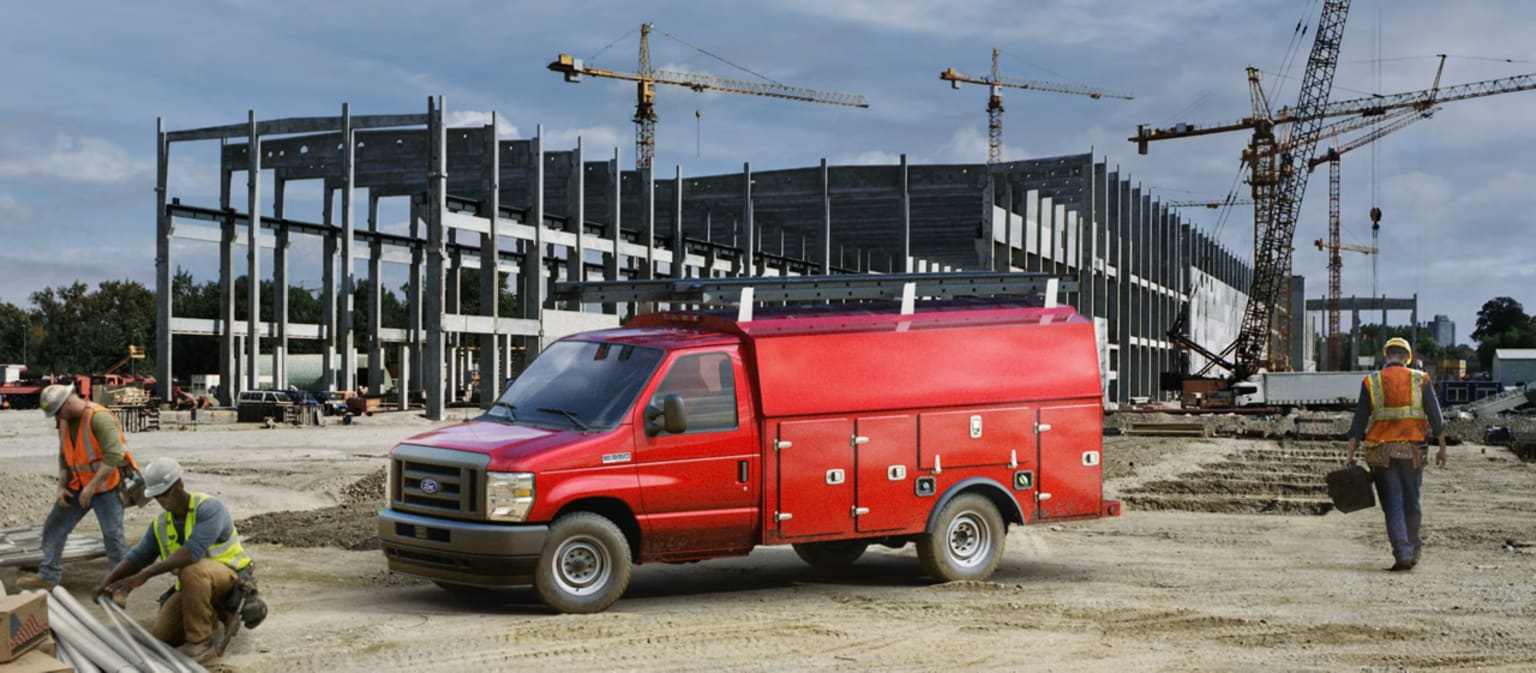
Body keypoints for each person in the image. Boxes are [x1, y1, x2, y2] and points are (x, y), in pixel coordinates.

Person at [95, 458, 265, 662]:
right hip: (196, 586)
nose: (163, 501)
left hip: (230, 580)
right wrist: (108, 582)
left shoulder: (209, 508)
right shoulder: (160, 524)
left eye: (166, 494)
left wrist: (145, 576)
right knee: (163, 635)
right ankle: (208, 615)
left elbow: (191, 552)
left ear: (180, 485)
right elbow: (137, 557)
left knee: (192, 569)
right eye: (158, 497)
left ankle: (200, 642)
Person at [1345, 337, 1448, 571]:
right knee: (1412, 500)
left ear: (1386, 355)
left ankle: (1403, 554)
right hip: (1413, 450)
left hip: (1381, 452)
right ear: (1407, 357)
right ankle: (1414, 547)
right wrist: (1442, 448)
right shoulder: (1420, 379)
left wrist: (1349, 455)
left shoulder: (1372, 381)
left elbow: (1358, 422)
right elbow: (1435, 416)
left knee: (1393, 504)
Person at [19, 384, 133, 592]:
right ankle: (48, 576)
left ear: (68, 403)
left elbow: (114, 455)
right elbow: (64, 454)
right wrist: (62, 485)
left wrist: (91, 487)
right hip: (78, 485)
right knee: (54, 525)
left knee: (112, 535)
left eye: (57, 411)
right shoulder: (64, 421)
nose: (57, 417)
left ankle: (120, 587)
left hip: (106, 486)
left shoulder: (99, 418)